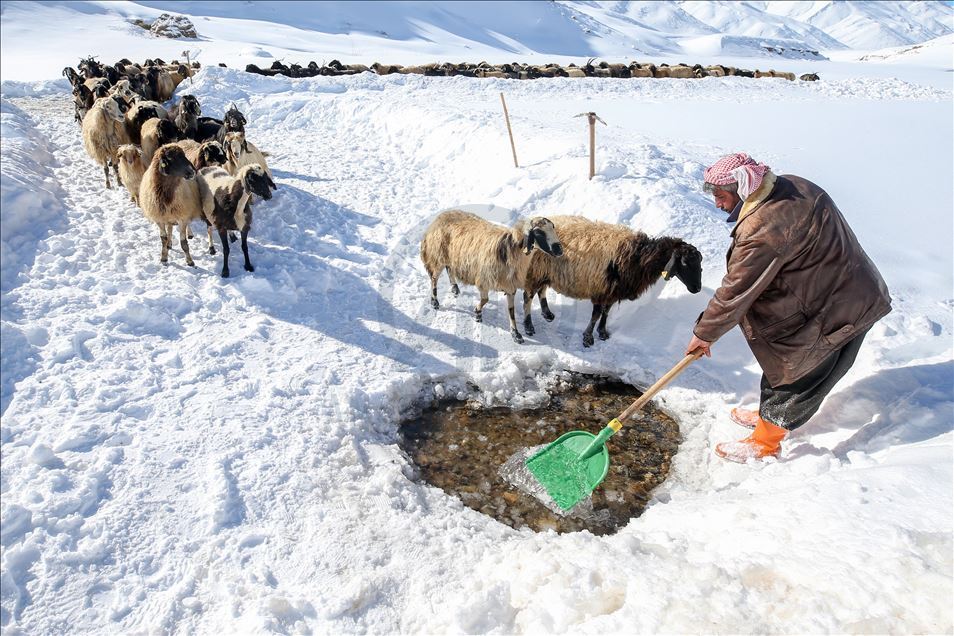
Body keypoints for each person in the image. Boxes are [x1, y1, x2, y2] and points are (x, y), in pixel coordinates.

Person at [685, 153, 891, 463]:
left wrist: (705, 333)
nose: (716, 203)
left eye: (720, 194)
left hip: (834, 309)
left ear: (742, 188)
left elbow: (736, 289)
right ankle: (768, 416)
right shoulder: (795, 185)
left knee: (799, 370)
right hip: (847, 289)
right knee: (787, 365)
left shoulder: (762, 228)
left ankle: (766, 442)